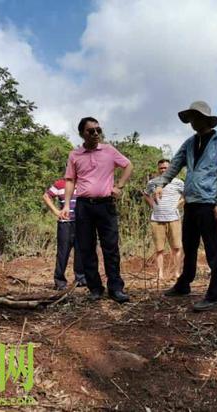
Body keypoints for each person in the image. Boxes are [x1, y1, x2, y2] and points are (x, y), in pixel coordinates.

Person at [150, 101, 217, 312]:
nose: (193, 122)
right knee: (189, 245)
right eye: (191, 118)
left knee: (212, 248)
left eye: (196, 117)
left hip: (209, 202)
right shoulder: (189, 143)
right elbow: (174, 165)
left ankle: (216, 293)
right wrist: (161, 183)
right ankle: (184, 284)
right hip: (191, 202)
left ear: (205, 119)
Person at [59, 117, 133, 304]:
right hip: (83, 205)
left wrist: (120, 186)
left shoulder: (109, 150)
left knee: (111, 247)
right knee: (86, 247)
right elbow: (70, 180)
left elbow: (128, 165)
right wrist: (67, 205)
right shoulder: (74, 155)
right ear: (82, 133)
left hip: (106, 205)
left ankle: (116, 288)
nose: (96, 134)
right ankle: (95, 288)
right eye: (91, 131)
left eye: (98, 130)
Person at [143, 159, 184, 280]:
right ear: (158, 169)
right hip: (157, 219)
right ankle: (160, 274)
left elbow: (187, 195)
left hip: (174, 218)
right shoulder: (153, 183)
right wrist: (152, 205)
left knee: (176, 247)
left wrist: (178, 204)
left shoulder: (178, 182)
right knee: (159, 249)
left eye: (166, 168)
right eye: (161, 168)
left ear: (170, 168)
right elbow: (146, 194)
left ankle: (177, 273)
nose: (163, 170)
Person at [43, 178, 86, 290]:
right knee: (63, 252)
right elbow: (46, 196)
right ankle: (60, 281)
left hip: (81, 223)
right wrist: (56, 212)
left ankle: (80, 279)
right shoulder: (59, 184)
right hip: (65, 224)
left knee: (81, 251)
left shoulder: (84, 182)